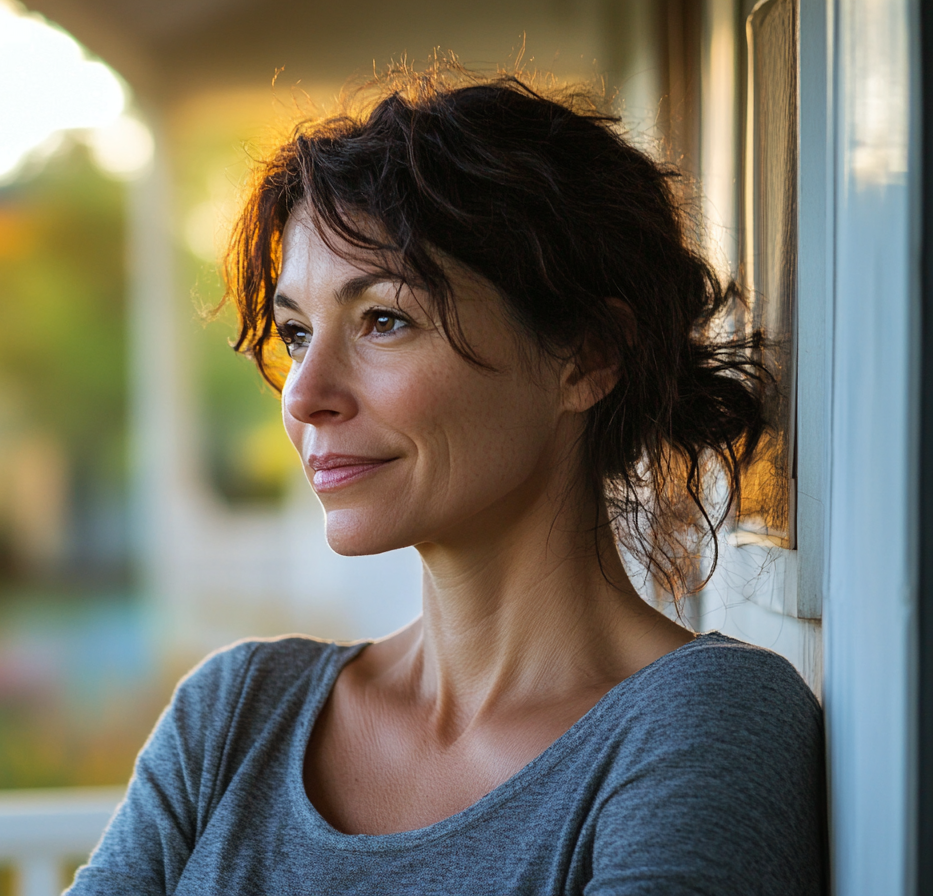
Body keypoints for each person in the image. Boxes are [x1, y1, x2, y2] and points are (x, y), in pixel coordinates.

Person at [67, 69, 825, 895]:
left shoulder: (701, 725)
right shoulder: (233, 717)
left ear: (589, 355)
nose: (306, 394)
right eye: (296, 332)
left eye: (384, 319)